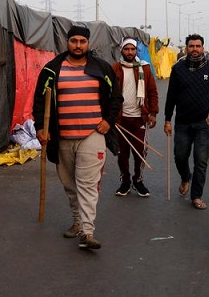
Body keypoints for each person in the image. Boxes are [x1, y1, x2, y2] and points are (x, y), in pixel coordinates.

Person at [33, 25, 123, 250]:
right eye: (74, 41)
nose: (78, 45)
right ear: (67, 42)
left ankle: (87, 231)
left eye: (82, 42)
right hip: (61, 136)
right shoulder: (52, 70)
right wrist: (39, 127)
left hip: (92, 135)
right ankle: (77, 220)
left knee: (88, 184)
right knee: (69, 183)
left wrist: (108, 121)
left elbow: (115, 98)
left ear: (88, 43)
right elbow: (38, 101)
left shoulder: (101, 68)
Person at [164, 34, 209, 210]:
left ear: (203, 47)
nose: (195, 49)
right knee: (180, 156)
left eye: (198, 46)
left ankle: (196, 195)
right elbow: (171, 96)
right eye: (191, 46)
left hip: (204, 123)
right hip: (182, 122)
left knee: (201, 160)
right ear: (186, 48)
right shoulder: (178, 69)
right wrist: (167, 119)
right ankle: (184, 177)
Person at [111, 37, 159, 197]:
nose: (130, 52)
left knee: (140, 152)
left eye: (132, 49)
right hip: (120, 119)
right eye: (127, 49)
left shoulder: (144, 68)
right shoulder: (115, 68)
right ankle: (125, 181)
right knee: (122, 154)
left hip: (140, 117)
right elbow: (108, 93)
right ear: (122, 50)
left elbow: (152, 92)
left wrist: (153, 113)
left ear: (136, 51)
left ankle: (138, 180)